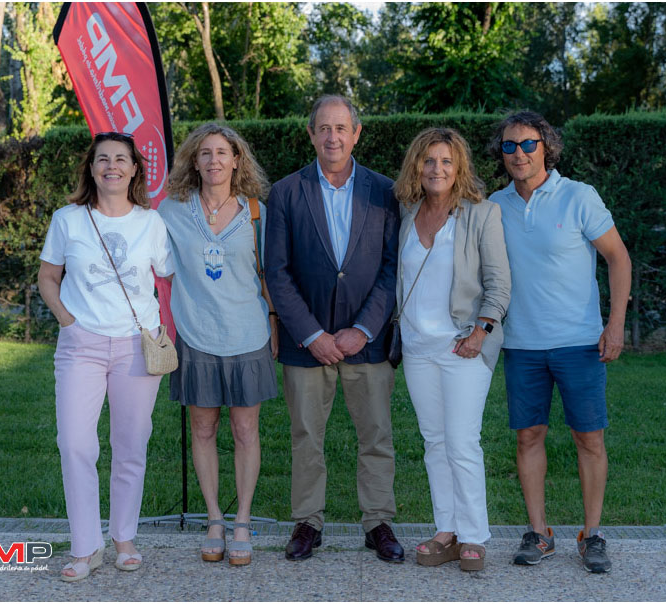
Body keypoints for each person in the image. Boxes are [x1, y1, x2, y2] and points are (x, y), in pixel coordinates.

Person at [488, 111, 632, 573]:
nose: (519, 153)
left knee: (589, 438)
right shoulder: (494, 206)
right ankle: (539, 532)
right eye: (509, 146)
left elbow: (618, 258)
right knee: (528, 436)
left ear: (546, 147)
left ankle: (593, 535)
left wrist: (615, 324)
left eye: (528, 144)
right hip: (522, 345)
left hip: (579, 343)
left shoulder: (578, 196)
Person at [264, 95, 403, 563]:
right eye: (323, 128)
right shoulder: (286, 192)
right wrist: (312, 334)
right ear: (311, 134)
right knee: (306, 436)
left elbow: (392, 267)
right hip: (308, 344)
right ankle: (308, 522)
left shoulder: (385, 191)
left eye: (341, 128)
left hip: (368, 341)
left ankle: (378, 522)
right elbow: (277, 271)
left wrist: (363, 329)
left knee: (376, 435)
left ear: (356, 133)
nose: (332, 137)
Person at [38, 131, 174, 582]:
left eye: (120, 159)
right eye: (102, 159)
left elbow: (168, 279)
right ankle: (85, 547)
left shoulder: (151, 223)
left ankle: (124, 538)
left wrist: (165, 329)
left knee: (131, 445)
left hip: (137, 345)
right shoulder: (68, 219)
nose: (111, 166)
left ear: (134, 170)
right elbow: (48, 278)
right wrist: (67, 321)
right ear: (91, 168)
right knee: (75, 443)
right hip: (82, 346)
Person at [157, 124, 278, 566]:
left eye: (222, 153)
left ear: (236, 160)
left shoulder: (256, 212)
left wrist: (275, 322)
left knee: (245, 431)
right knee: (203, 430)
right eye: (205, 153)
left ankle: (241, 520)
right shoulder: (171, 211)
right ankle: (213, 519)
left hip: (248, 336)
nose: (214, 161)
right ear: (194, 161)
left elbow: (269, 274)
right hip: (196, 336)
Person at [394, 128, 510, 572]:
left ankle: (474, 535)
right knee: (434, 442)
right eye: (428, 161)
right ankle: (446, 530)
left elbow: (499, 283)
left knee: (462, 442)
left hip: (463, 346)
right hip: (417, 349)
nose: (436, 169)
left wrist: (480, 332)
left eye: (446, 161)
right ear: (416, 167)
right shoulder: (407, 213)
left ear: (459, 167)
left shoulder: (482, 213)